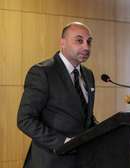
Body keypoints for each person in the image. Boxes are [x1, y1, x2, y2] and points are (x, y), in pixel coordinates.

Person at [17, 22, 97, 168]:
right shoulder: (42, 72)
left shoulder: (88, 75)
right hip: (50, 161)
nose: (86, 47)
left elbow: (85, 117)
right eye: (79, 40)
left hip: (82, 161)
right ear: (63, 43)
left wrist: (105, 131)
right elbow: (25, 120)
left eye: (89, 41)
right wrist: (63, 143)